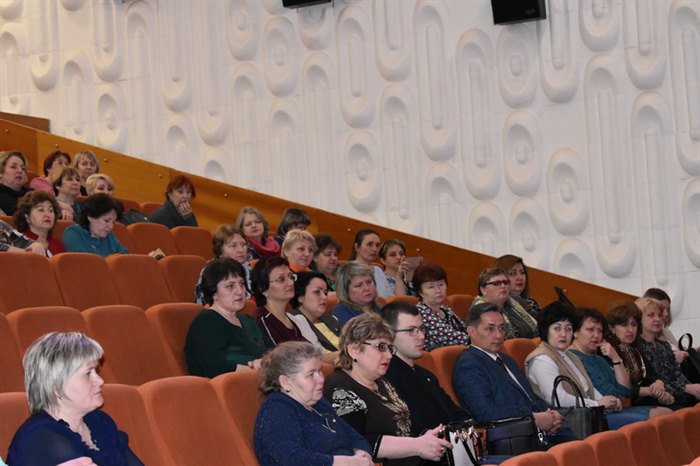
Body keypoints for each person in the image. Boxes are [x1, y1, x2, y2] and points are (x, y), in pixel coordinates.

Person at [380, 301, 510, 465]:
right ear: (389, 335)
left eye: (422, 329)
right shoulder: (385, 378)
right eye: (411, 331)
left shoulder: (426, 375)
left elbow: (457, 415)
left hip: (455, 455)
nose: (422, 336)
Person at [324, 313, 453, 465]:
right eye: (381, 347)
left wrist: (424, 438)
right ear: (354, 350)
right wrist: (416, 445)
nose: (389, 355)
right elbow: (355, 442)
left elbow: (401, 431)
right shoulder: (340, 388)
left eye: (390, 348)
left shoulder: (382, 382)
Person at [6, 332, 143, 466]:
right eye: (88, 373)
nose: (100, 381)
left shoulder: (99, 421)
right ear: (56, 387)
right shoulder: (41, 437)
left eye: (96, 371)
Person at [524, 302, 646, 429]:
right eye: (557, 328)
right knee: (639, 424)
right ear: (546, 330)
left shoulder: (570, 356)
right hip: (565, 423)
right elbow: (559, 399)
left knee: (641, 424)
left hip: (587, 416)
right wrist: (597, 404)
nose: (564, 334)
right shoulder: (542, 359)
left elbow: (588, 388)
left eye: (568, 329)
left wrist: (608, 401)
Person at [453, 302, 564, 437]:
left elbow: (529, 396)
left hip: (540, 431)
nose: (499, 335)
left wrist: (551, 413)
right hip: (513, 437)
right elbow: (485, 413)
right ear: (472, 332)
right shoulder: (469, 366)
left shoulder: (506, 359)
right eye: (490, 329)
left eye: (501, 328)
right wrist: (533, 419)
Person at [254, 341, 373, 466]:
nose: (321, 379)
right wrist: (345, 462)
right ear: (285, 382)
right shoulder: (277, 411)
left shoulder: (320, 403)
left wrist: (362, 454)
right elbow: (291, 458)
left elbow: (356, 438)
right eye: (311, 374)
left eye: (320, 371)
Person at [567, 308, 671, 419]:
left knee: (667, 413)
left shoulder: (598, 359)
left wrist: (616, 358)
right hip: (597, 415)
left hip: (616, 408)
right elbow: (608, 392)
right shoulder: (572, 358)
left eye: (599, 331)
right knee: (661, 415)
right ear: (575, 332)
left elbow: (625, 390)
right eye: (590, 330)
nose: (596, 335)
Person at [185, 258, 271, 377]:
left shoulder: (249, 320)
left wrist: (265, 363)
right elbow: (216, 368)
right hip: (232, 385)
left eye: (241, 284)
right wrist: (258, 370)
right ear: (213, 292)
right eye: (230, 286)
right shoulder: (207, 322)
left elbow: (273, 352)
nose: (240, 291)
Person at [606, 302, 680, 409]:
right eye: (624, 325)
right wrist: (652, 391)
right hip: (625, 404)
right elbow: (620, 388)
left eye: (633, 324)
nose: (630, 330)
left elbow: (652, 375)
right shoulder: (608, 351)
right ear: (612, 328)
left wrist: (658, 383)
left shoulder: (635, 348)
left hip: (647, 399)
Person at [636, 297, 700, 407]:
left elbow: (677, 375)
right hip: (656, 399)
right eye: (651, 315)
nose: (657, 319)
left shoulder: (663, 345)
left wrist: (693, 388)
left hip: (680, 395)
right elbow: (649, 381)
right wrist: (686, 388)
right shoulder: (637, 348)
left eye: (660, 315)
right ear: (639, 319)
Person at [412, 262, 469, 351]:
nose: (438, 290)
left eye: (441, 284)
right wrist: (481, 339)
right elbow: (456, 339)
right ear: (420, 292)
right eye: (431, 287)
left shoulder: (446, 309)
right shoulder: (421, 313)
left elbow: (465, 330)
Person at [471, 267, 538, 339]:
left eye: (505, 282)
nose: (503, 286)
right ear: (483, 289)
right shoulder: (481, 310)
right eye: (497, 283)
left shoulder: (514, 301)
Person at [195, 224, 252, 304]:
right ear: (220, 250)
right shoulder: (211, 271)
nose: (241, 250)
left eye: (243, 244)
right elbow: (206, 303)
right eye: (233, 246)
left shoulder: (249, 268)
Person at [62, 193, 129, 257]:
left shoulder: (109, 236)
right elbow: (84, 261)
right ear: (90, 216)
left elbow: (125, 257)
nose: (111, 226)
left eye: (113, 222)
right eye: (106, 221)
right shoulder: (73, 233)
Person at [291, 271, 341, 352]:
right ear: (300, 297)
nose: (324, 297)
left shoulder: (331, 318)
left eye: (325, 293)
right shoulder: (294, 325)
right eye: (317, 292)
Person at [349, 229, 407, 298]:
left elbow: (396, 299)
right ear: (357, 247)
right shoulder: (347, 271)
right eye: (369, 244)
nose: (375, 249)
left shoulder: (378, 270)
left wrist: (399, 277)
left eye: (377, 245)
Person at [643, 288, 690, 363]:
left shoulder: (666, 331)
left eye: (667, 309)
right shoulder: (641, 337)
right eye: (662, 309)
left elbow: (679, 350)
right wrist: (673, 358)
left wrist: (693, 351)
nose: (666, 313)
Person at [14, 191, 66, 256]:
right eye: (41, 210)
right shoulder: (19, 242)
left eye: (51, 210)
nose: (48, 215)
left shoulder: (59, 245)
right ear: (27, 217)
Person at [331, 261, 382, 326]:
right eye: (358, 285)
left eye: (369, 282)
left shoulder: (380, 306)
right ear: (345, 290)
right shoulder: (341, 313)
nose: (367, 288)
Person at [0, 150, 32, 216]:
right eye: (13, 167)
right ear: (1, 172)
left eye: (23, 168)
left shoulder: (32, 193)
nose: (20, 171)